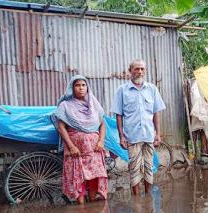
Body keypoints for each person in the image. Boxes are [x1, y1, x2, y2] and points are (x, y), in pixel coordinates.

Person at [112, 59, 166, 195]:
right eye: (136, 69)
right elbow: (119, 115)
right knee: (134, 168)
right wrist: (121, 136)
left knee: (149, 167)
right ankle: (136, 198)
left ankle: (148, 195)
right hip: (132, 136)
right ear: (130, 71)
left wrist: (158, 134)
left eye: (142, 69)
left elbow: (156, 113)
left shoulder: (152, 89)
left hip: (149, 136)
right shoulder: (122, 90)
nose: (140, 72)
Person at [55, 75, 108, 204]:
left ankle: (91, 204)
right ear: (72, 88)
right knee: (77, 176)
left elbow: (102, 124)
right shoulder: (65, 105)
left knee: (94, 176)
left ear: (87, 87)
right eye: (77, 85)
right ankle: (81, 207)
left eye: (83, 85)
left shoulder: (93, 104)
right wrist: (71, 146)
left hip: (94, 149)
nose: (81, 88)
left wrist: (101, 141)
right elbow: (61, 127)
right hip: (76, 150)